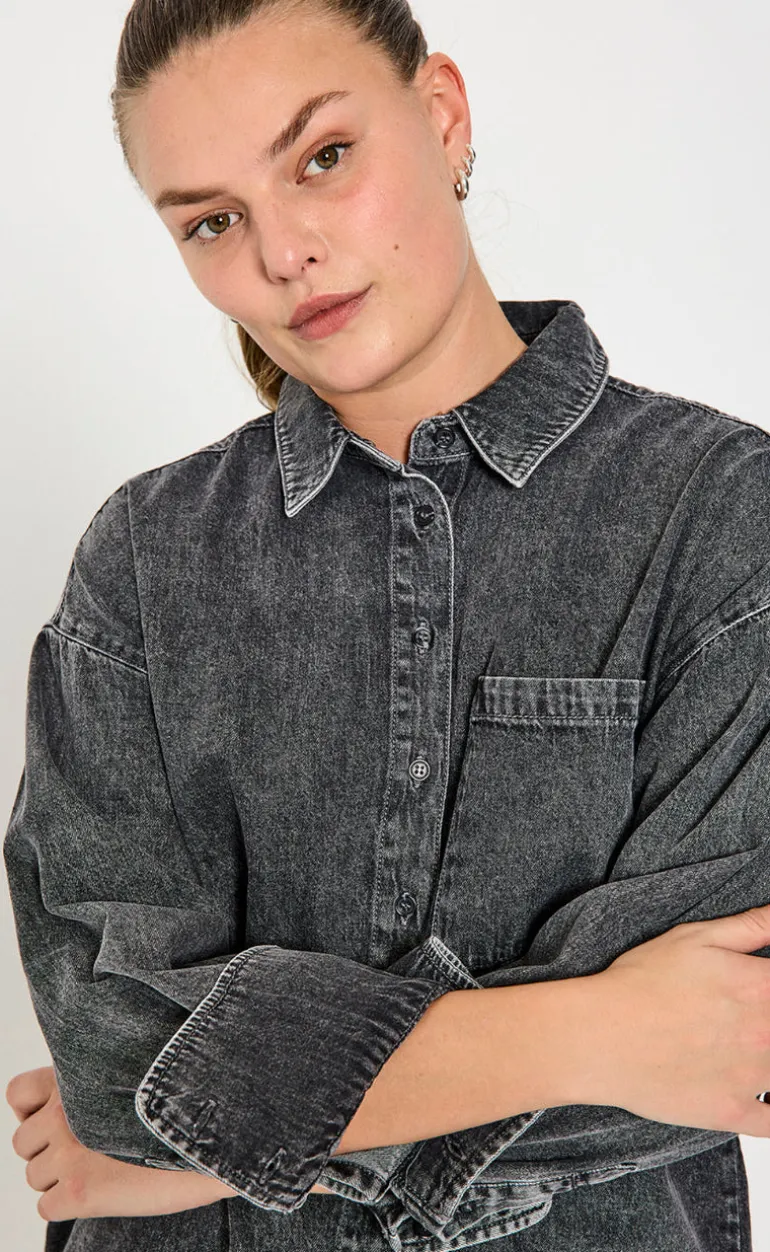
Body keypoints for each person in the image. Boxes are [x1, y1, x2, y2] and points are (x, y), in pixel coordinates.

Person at [4, 1, 770, 1249]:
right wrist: (593, 1029)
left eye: (322, 157)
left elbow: (729, 1042)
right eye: (211, 221)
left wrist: (201, 1156)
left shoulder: (722, 518)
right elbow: (112, 1057)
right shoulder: (143, 559)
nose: (283, 252)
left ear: (442, 115)